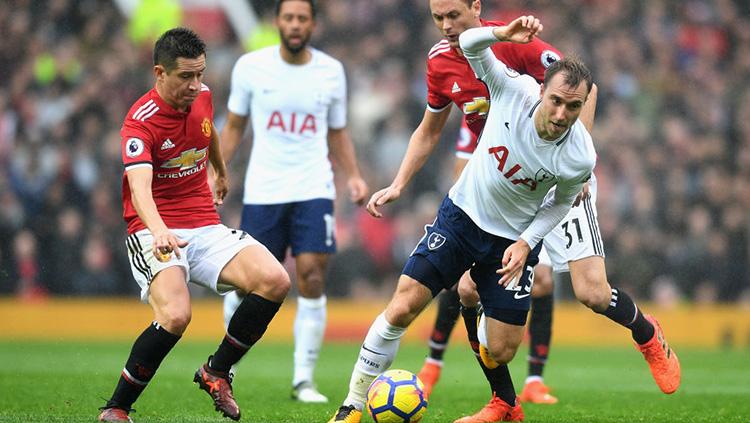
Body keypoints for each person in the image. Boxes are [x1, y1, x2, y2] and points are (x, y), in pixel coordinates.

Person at [329, 16, 599, 423]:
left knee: (503, 348)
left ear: (582, 106)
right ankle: (351, 405)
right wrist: (503, 34)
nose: (561, 113)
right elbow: (470, 45)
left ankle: (499, 389)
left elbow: (560, 205)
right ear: (541, 90)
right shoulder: (512, 89)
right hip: (462, 217)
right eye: (556, 101)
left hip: (511, 242)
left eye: (573, 106)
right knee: (403, 305)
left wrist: (527, 243)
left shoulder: (581, 155)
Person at [97, 28, 291, 423]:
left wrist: (219, 170)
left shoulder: (201, 96)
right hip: (152, 227)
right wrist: (159, 230)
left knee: (275, 280)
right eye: (186, 76)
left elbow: (209, 129)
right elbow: (139, 190)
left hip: (204, 222)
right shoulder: (139, 123)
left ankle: (216, 371)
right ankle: (116, 408)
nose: (196, 85)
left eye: (200, 74)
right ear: (159, 73)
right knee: (176, 317)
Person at [414, 0, 569, 405]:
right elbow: (447, 148)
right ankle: (434, 361)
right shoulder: (468, 104)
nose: (446, 26)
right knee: (461, 279)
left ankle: (534, 379)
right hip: (488, 178)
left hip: (537, 179)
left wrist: (577, 152)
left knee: (546, 280)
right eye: (438, 18)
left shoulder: (512, 53)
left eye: (453, 16)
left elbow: (575, 83)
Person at [219, 0, 369, 404]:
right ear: (277, 22)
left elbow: (337, 131)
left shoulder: (330, 71)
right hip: (264, 189)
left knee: (312, 277)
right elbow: (234, 126)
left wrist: (353, 175)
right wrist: (217, 170)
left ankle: (303, 379)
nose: (296, 24)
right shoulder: (251, 67)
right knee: (246, 283)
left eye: (303, 18)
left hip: (313, 187)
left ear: (313, 24)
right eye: (289, 17)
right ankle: (225, 366)